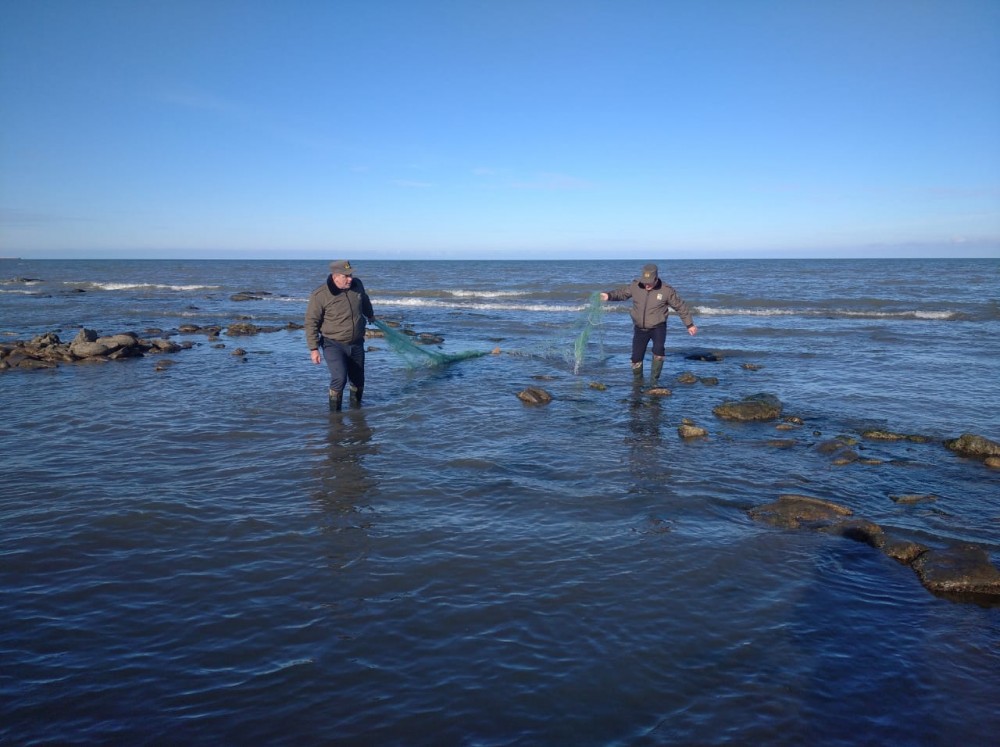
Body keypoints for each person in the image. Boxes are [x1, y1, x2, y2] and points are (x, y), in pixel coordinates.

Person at [600, 263, 698, 384]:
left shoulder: (666, 290)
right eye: (645, 281)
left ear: (656, 279)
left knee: (658, 351)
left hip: (658, 327)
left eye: (649, 282)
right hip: (640, 328)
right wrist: (608, 296)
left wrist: (689, 324)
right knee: (636, 358)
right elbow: (622, 294)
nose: (646, 285)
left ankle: (654, 382)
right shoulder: (635, 286)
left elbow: (680, 306)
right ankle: (638, 382)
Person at [305, 260, 375, 410]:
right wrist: (314, 349)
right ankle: (335, 416)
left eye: (351, 275)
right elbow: (311, 322)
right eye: (346, 276)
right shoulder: (320, 295)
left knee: (358, 380)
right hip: (333, 343)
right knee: (339, 378)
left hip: (356, 342)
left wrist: (370, 315)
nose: (350, 279)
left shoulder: (357, 285)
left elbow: (365, 300)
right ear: (335, 276)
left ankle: (356, 411)